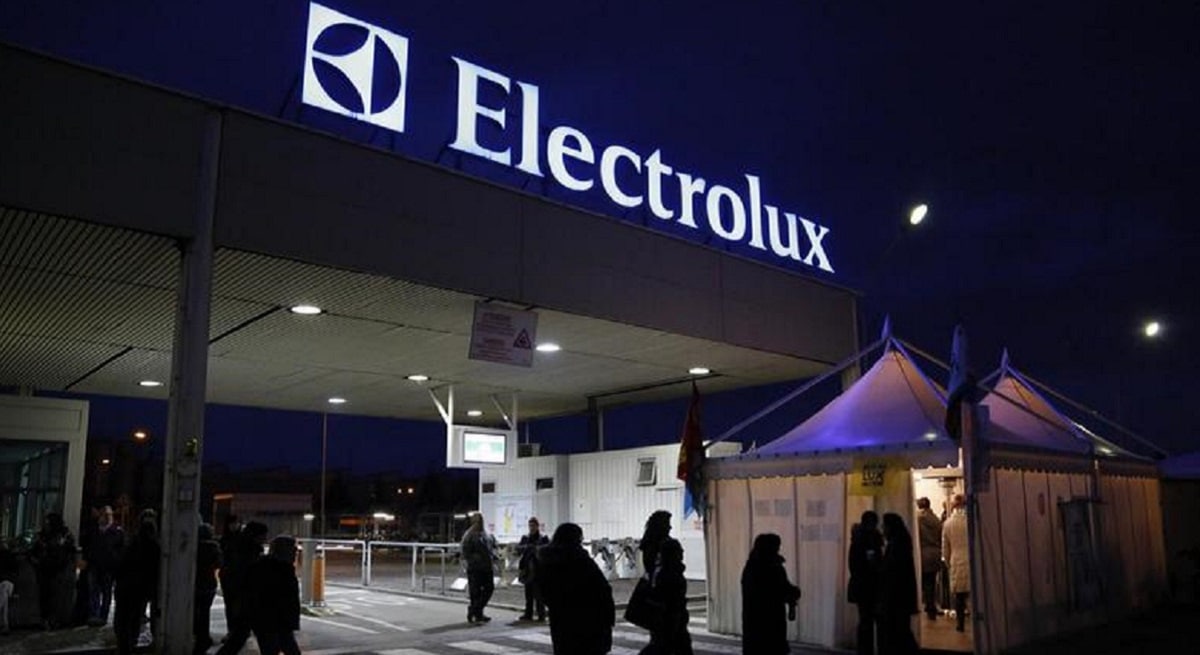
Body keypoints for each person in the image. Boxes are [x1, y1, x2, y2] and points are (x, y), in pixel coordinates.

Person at [537, 522, 615, 654]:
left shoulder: (547, 560)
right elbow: (602, 589)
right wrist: (608, 617)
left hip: (560, 618)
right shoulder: (580, 559)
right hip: (588, 618)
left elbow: (542, 589)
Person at [638, 511, 692, 655]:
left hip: (660, 606)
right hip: (667, 609)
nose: (670, 527)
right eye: (667, 524)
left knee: (662, 642)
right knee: (669, 643)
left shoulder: (651, 545)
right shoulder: (663, 553)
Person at [740, 533, 801, 655]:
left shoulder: (751, 567)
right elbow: (778, 590)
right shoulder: (772, 568)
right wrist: (793, 593)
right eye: (776, 547)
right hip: (770, 623)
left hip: (755, 624)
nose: (778, 549)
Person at [216, 521, 268, 655]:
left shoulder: (236, 545)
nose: (265, 539)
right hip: (247, 595)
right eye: (263, 536)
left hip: (238, 592)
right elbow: (248, 573)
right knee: (253, 633)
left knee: (242, 632)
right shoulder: (250, 551)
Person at [114, 516, 159, 655]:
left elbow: (121, 563)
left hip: (125, 587)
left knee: (122, 618)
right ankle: (130, 643)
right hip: (140, 589)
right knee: (134, 618)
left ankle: (123, 646)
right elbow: (154, 571)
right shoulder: (154, 547)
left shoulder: (131, 543)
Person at [248, 535, 301, 655]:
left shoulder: (260, 566)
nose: (295, 554)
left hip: (264, 619)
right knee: (288, 648)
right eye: (293, 550)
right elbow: (289, 599)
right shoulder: (284, 570)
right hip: (277, 620)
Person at [878, 513, 918, 655]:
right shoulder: (902, 543)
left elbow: (891, 572)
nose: (882, 529)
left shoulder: (896, 546)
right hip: (901, 598)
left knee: (898, 633)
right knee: (902, 632)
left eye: (884, 526)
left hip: (895, 598)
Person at [31, 512, 77, 629]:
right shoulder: (43, 536)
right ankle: (47, 620)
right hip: (45, 570)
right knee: (45, 597)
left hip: (59, 570)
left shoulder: (64, 535)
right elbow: (33, 552)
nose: (46, 525)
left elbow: (70, 551)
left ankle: (54, 620)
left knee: (56, 597)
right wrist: (37, 562)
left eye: (48, 523)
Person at [847, 511, 883, 655]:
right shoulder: (870, 539)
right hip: (870, 585)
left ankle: (864, 650)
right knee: (870, 620)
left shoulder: (858, 539)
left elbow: (853, 565)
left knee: (865, 620)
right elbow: (872, 564)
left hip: (861, 586)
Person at [85, 505, 124, 626]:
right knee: (94, 592)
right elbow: (88, 546)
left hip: (108, 568)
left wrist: (116, 563)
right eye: (104, 515)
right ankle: (94, 615)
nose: (107, 518)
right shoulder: (94, 531)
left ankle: (103, 616)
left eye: (109, 515)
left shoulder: (117, 532)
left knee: (106, 593)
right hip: (94, 566)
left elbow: (121, 550)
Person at [460, 513, 498, 623]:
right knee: (475, 592)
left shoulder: (485, 534)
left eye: (480, 521)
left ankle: (475, 609)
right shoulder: (469, 535)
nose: (479, 523)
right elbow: (465, 552)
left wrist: (494, 554)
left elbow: (491, 546)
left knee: (489, 588)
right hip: (475, 568)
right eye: (477, 521)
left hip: (487, 566)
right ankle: (478, 613)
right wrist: (474, 559)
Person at [942, 494, 970, 632]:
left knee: (959, 596)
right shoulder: (971, 521)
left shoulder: (948, 524)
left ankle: (960, 624)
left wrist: (948, 562)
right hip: (971, 560)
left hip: (956, 560)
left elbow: (945, 548)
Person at [194, 522, 222, 654]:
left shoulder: (194, 546)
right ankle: (204, 636)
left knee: (195, 610)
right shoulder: (214, 547)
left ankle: (196, 633)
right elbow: (219, 563)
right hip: (209, 582)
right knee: (205, 611)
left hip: (195, 582)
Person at [517, 516, 549, 621]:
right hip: (527, 568)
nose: (532, 528)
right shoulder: (526, 538)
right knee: (528, 592)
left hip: (539, 568)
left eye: (533, 526)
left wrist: (536, 549)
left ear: (537, 526)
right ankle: (528, 613)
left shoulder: (543, 538)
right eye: (530, 526)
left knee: (539, 593)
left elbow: (547, 550)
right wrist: (527, 547)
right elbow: (519, 549)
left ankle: (541, 614)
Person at [915, 498, 943, 620]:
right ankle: (931, 605)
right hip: (935, 553)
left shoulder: (918, 519)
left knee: (924, 582)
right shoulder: (936, 519)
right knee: (931, 581)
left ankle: (929, 606)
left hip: (923, 553)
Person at [0, 539, 18, 635]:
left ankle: (5, 625)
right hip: (9, 582)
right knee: (5, 604)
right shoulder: (11, 556)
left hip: (3, 581)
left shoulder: (4, 556)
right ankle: (5, 625)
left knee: (3, 603)